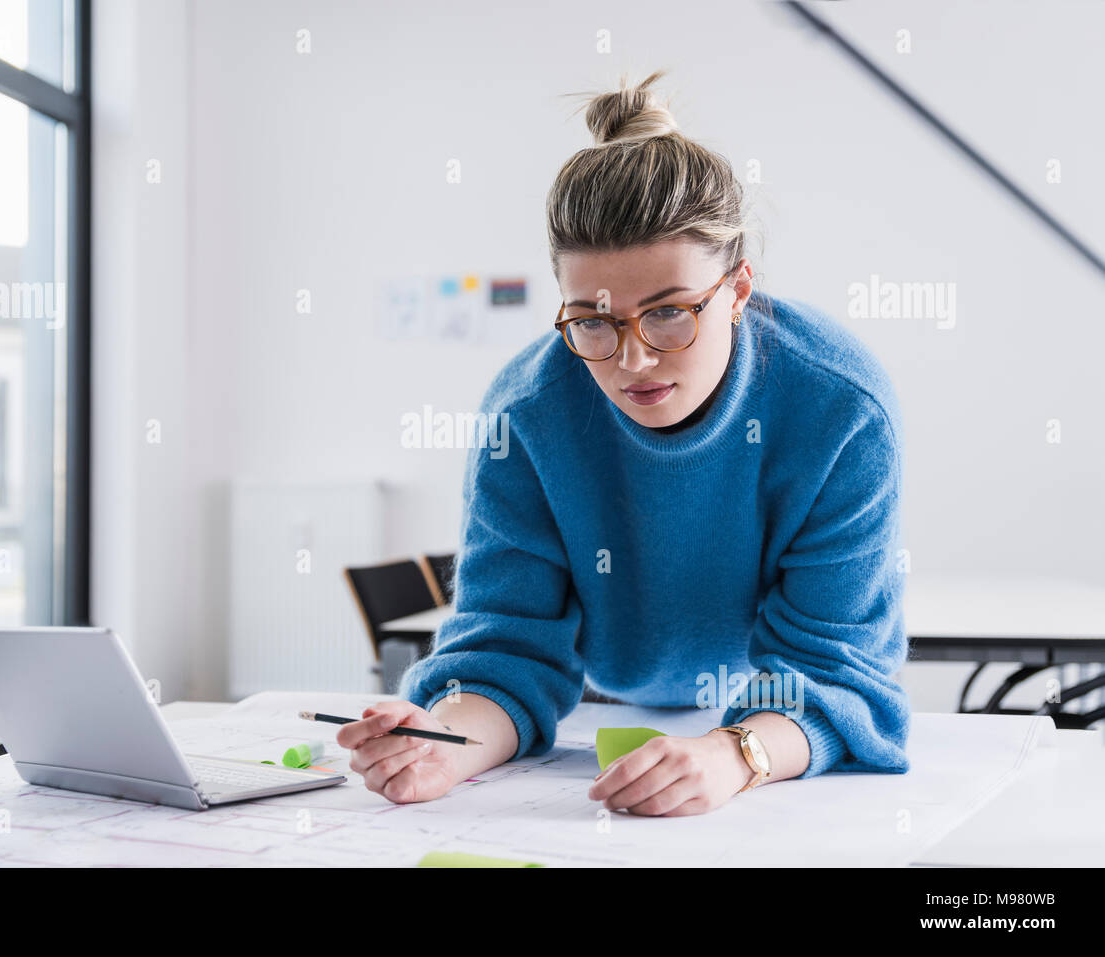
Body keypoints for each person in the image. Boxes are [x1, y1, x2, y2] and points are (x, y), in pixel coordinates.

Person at [338, 69, 910, 816]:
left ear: (738, 289)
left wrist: (736, 754)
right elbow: (506, 653)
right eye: (592, 321)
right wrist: (441, 746)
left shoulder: (841, 409)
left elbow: (833, 674)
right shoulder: (527, 416)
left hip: (753, 717)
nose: (632, 359)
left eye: (670, 313)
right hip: (600, 707)